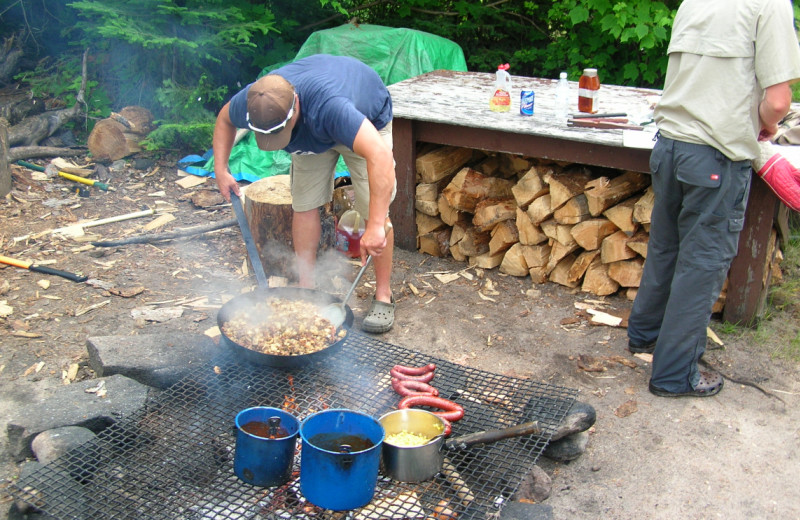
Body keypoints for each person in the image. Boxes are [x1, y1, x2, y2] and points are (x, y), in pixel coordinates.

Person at [626, 0, 800, 397]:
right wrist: (768, 126)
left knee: (666, 247)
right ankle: (674, 375)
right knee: (703, 262)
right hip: (715, 154)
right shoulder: (767, 5)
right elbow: (777, 102)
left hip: (669, 146)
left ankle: (646, 336)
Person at [212, 54, 397, 333]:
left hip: (364, 120)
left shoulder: (331, 108)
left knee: (376, 215)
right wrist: (221, 168)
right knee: (304, 204)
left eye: (279, 133)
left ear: (295, 107)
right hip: (312, 135)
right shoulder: (257, 101)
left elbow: (380, 158)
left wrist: (373, 226)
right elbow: (225, 119)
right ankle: (306, 287)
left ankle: (384, 294)